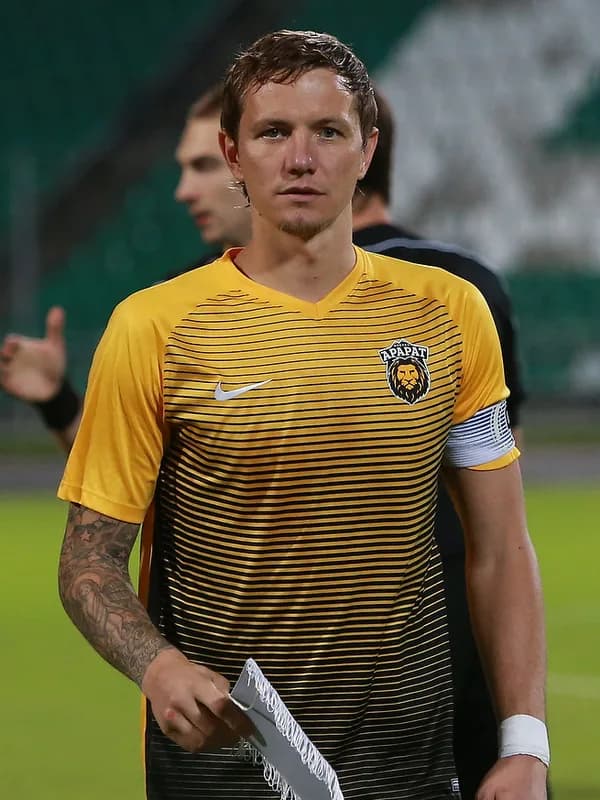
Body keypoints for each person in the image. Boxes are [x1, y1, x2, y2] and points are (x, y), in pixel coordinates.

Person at [55, 30, 548, 800]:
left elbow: (501, 547)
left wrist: (524, 743)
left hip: (410, 771)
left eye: (328, 132)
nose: (300, 158)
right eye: (272, 132)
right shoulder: (153, 327)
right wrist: (158, 666)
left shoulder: (450, 313)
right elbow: (87, 561)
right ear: (233, 153)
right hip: (226, 773)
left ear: (367, 149)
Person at [0, 84, 249, 454]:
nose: (183, 191)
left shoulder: (341, 287)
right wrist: (58, 402)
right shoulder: (170, 306)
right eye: (183, 169)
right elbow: (119, 463)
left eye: (204, 166)